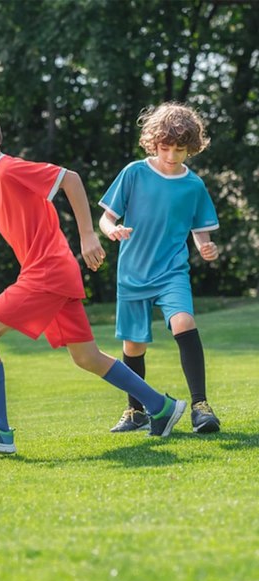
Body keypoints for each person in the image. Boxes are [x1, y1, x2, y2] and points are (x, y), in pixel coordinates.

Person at [0, 100, 185, 455]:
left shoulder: (10, 170)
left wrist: (87, 235)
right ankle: (161, 407)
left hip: (47, 272)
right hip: (49, 274)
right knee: (87, 357)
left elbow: (71, 180)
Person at [99, 102, 221, 434]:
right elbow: (107, 217)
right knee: (134, 346)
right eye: (165, 147)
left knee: (184, 322)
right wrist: (112, 230)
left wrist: (204, 246)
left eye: (179, 149)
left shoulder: (193, 185)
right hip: (133, 272)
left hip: (171, 271)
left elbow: (200, 229)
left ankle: (200, 406)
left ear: (191, 148)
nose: (171, 155)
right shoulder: (134, 173)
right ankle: (135, 411)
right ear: (154, 143)